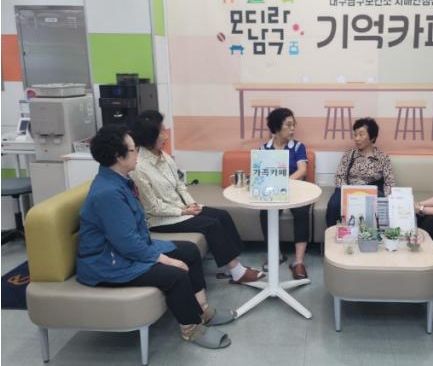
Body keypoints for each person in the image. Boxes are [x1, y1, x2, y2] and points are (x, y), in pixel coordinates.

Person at [76, 125, 233, 349]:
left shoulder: (119, 180)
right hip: (108, 264)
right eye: (133, 150)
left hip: (125, 250)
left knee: (189, 251)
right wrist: (166, 260)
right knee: (176, 274)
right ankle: (190, 328)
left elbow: (130, 237)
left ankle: (202, 310)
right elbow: (127, 243)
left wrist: (162, 254)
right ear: (118, 156)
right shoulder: (108, 193)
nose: (137, 155)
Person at [129, 110, 264, 284]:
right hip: (162, 219)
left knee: (222, 215)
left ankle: (230, 267)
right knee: (211, 225)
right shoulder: (139, 168)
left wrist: (192, 205)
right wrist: (183, 211)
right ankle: (237, 271)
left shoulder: (164, 157)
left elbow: (180, 185)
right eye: (162, 132)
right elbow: (152, 208)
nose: (166, 136)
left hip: (183, 209)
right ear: (150, 136)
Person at [258, 108, 311, 280]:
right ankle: (276, 255)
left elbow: (302, 170)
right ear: (276, 127)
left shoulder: (298, 146)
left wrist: (283, 182)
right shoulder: (264, 148)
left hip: (296, 189)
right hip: (274, 191)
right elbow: (262, 173)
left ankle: (298, 262)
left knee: (302, 211)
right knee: (265, 212)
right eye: (288, 125)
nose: (292, 128)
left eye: (293, 124)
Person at [325, 117, 395, 227]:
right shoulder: (349, 155)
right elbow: (339, 177)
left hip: (372, 192)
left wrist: (386, 199)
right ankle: (333, 233)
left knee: (381, 205)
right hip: (349, 189)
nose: (357, 138)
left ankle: (375, 235)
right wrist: (347, 192)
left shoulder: (383, 158)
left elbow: (389, 182)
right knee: (334, 205)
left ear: (372, 137)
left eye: (361, 135)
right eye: (355, 135)